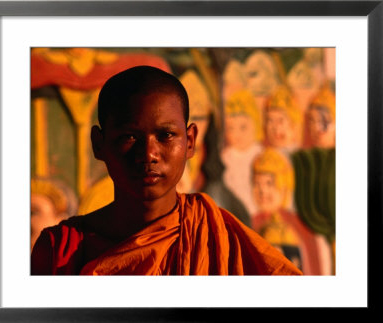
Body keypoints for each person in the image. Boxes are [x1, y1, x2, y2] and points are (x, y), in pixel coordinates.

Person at [31, 65, 302, 275]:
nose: (148, 154)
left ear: (190, 141)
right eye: (129, 136)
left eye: (166, 135)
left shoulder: (221, 239)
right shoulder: (61, 251)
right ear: (99, 144)